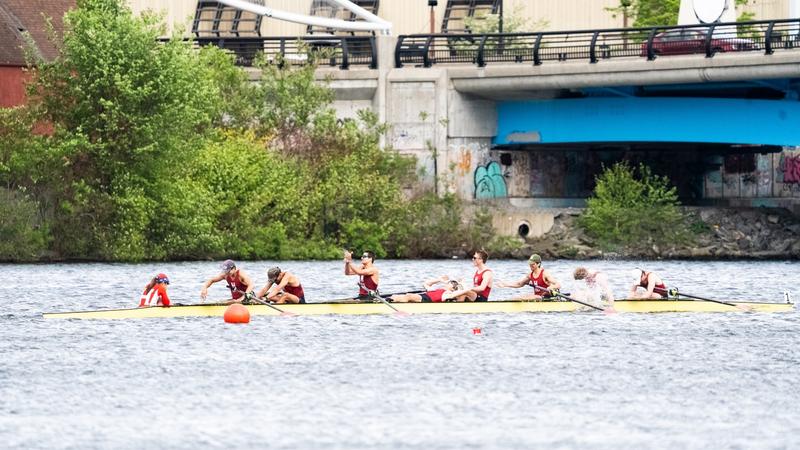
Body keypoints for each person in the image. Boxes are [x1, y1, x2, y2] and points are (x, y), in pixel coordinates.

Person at [389, 276, 468, 303]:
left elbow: (461, 292)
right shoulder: (438, 289)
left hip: (427, 299)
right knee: (402, 295)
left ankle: (391, 301)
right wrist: (439, 280)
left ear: (453, 288)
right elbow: (426, 284)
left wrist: (462, 284)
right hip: (424, 295)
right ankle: (390, 299)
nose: (449, 282)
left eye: (452, 283)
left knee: (409, 296)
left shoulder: (448, 294)